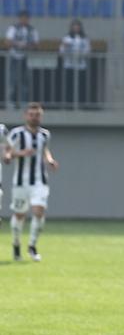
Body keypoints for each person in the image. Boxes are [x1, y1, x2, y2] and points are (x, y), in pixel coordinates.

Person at [6, 103, 59, 262]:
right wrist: (19, 153)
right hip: (20, 182)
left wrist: (50, 161)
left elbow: (45, 151)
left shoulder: (45, 135)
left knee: (39, 211)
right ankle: (16, 244)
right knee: (19, 215)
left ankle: (32, 246)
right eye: (31, 114)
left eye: (37, 115)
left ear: (41, 116)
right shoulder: (17, 134)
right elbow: (7, 152)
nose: (34, 117)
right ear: (25, 116)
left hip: (39, 181)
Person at [4, 11, 39, 109]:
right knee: (12, 81)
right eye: (22, 18)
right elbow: (7, 42)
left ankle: (24, 103)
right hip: (14, 57)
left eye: (26, 18)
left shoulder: (32, 30)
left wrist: (27, 46)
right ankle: (10, 102)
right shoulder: (13, 28)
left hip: (26, 58)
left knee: (25, 82)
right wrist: (18, 44)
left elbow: (36, 44)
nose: (24, 20)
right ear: (19, 18)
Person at [59, 19, 91, 109]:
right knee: (69, 86)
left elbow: (88, 50)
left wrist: (80, 54)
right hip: (69, 66)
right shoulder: (67, 38)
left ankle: (80, 105)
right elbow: (61, 51)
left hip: (80, 66)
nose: (76, 28)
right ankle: (69, 105)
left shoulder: (84, 38)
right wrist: (65, 47)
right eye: (74, 26)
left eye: (78, 26)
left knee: (81, 86)